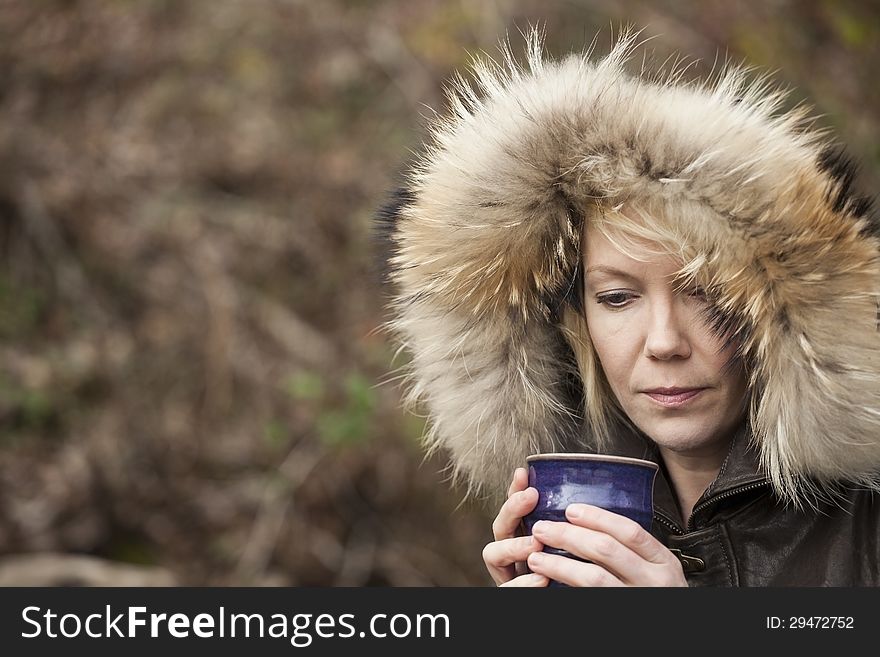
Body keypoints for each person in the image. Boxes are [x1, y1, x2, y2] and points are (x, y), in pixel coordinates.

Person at [379, 30, 880, 586]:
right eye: (617, 298)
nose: (664, 341)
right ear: (574, 321)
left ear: (775, 312)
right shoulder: (558, 507)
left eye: (703, 292)